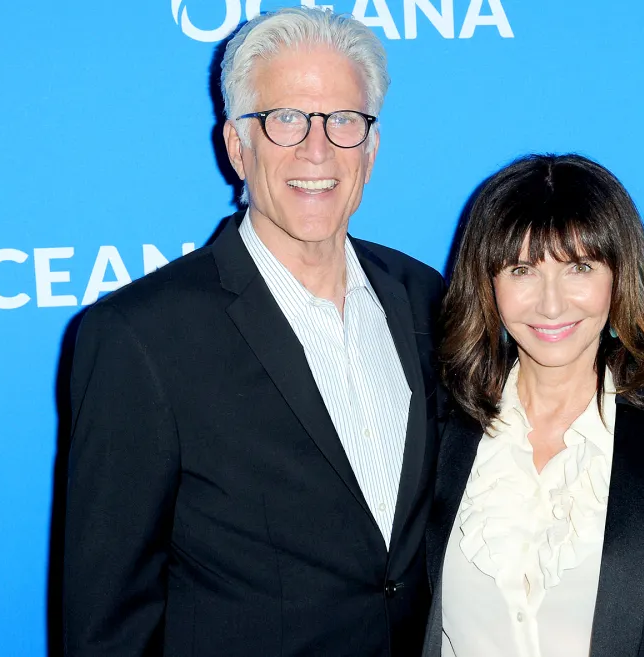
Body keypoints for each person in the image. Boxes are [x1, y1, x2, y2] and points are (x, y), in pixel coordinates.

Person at [62, 7, 445, 656]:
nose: (317, 149)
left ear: (372, 148)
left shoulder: (426, 299)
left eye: (344, 121)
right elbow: (107, 625)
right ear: (238, 145)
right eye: (285, 119)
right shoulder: (140, 337)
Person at [423, 154, 644, 657]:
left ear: (619, 276)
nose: (551, 304)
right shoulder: (435, 421)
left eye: (579, 267)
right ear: (487, 284)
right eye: (522, 270)